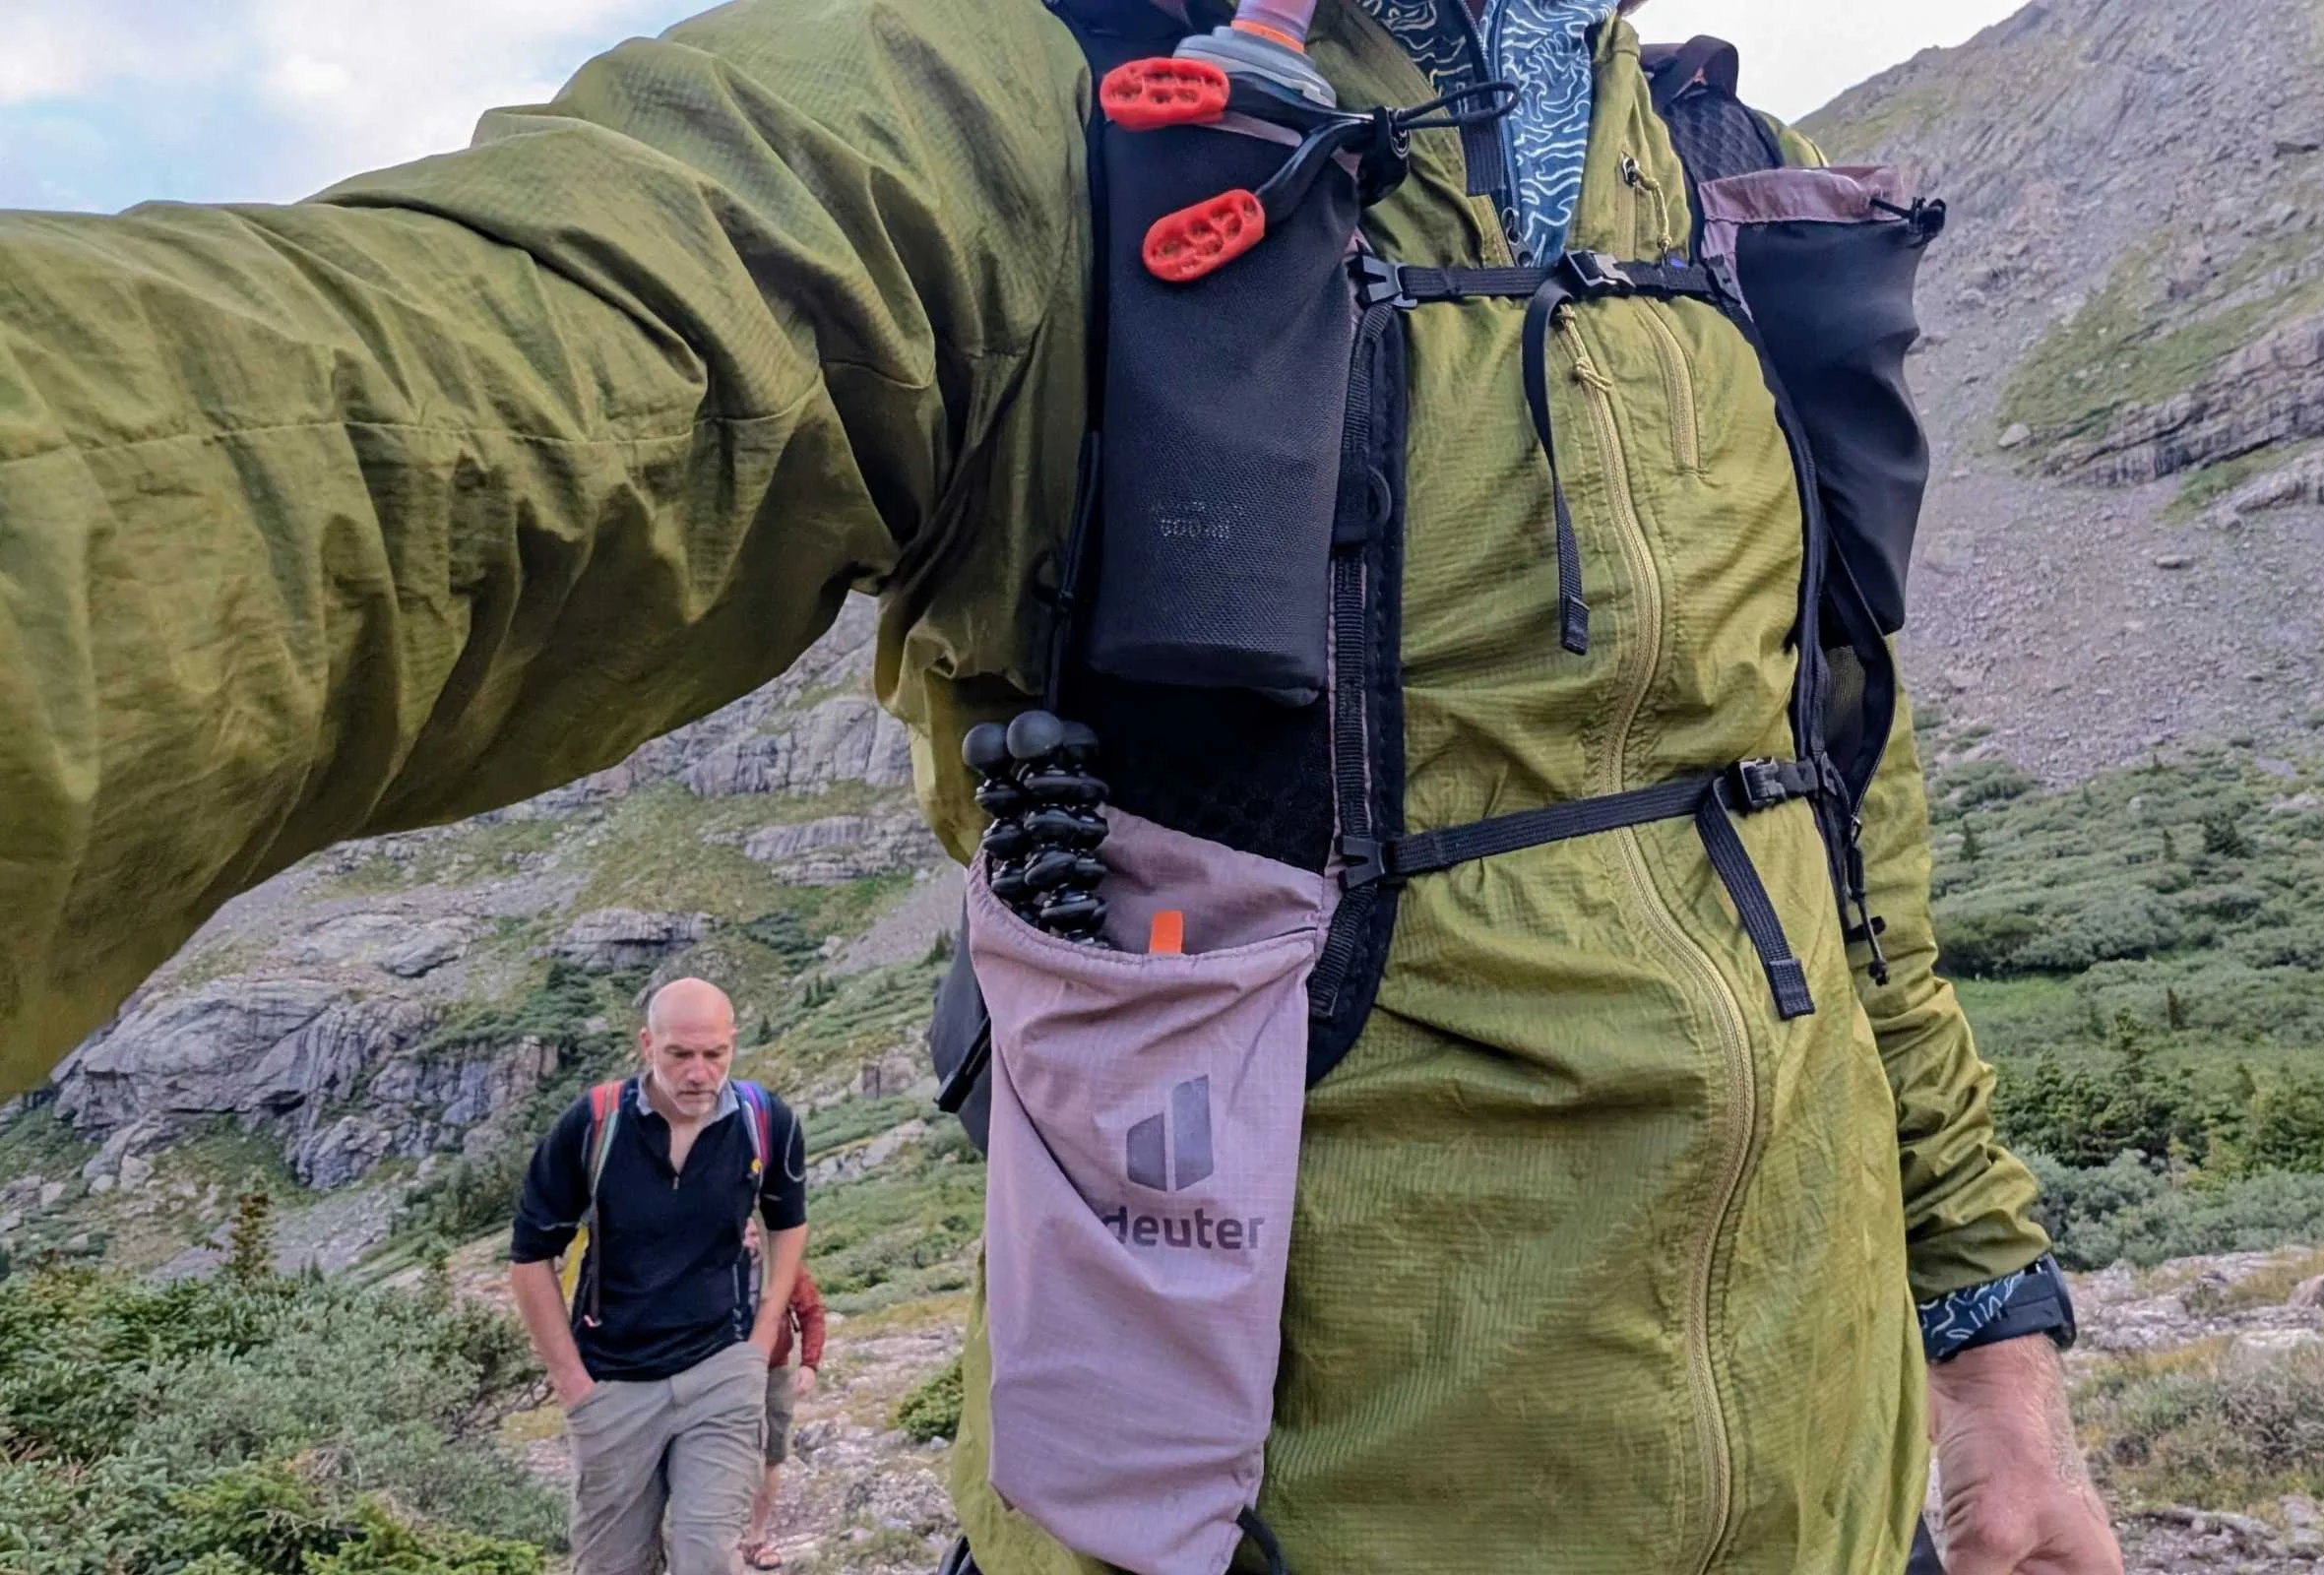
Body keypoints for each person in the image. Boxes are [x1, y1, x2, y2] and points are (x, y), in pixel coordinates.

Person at [0, 0, 2121, 1569]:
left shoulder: (1724, 170)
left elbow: (1843, 836)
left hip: (1844, 1511)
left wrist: (1995, 1368)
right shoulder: (1047, 112)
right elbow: (432, 405)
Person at [508, 978, 808, 1575]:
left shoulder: (764, 1120)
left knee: (707, 1557)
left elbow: (788, 1221)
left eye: (714, 1055)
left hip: (722, 1372)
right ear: (647, 1044)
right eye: (680, 1055)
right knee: (612, 1566)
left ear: (732, 1045)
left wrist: (762, 1338)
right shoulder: (593, 1124)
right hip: (615, 1383)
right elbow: (527, 1258)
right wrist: (574, 1386)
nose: (699, 1073)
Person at [736, 1218, 827, 1572]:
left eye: (756, 1233)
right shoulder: (712, 1266)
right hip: (723, 1375)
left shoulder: (784, 1268)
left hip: (772, 1370)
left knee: (771, 1453)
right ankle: (722, 1539)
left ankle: (757, 1537)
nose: (751, 1241)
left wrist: (810, 1364)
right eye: (744, 1233)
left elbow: (811, 1313)